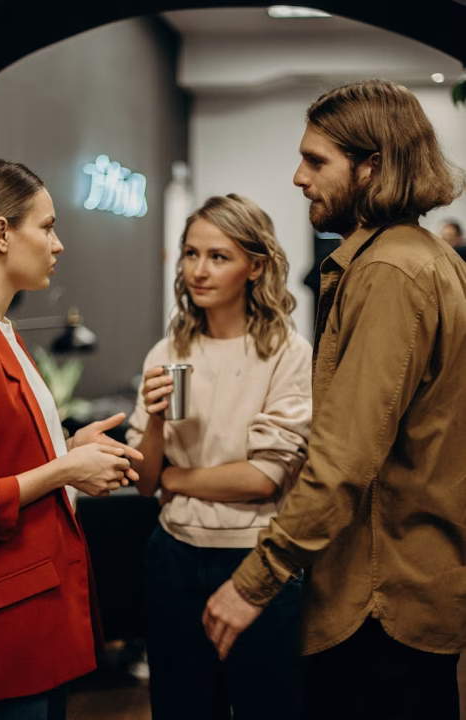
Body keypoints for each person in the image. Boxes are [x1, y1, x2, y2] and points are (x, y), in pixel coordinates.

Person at [203, 80, 466, 720]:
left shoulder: (389, 273)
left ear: (373, 166)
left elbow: (345, 457)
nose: (298, 177)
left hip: (378, 600)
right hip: (407, 590)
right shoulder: (428, 259)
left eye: (316, 161)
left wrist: (254, 582)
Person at [0, 159, 144, 720]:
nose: (58, 245)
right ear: (1, 233)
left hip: (33, 613)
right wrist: (64, 469)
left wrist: (68, 447)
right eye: (47, 226)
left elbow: (4, 459)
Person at [126, 193, 312, 720]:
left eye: (217, 256)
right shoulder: (167, 353)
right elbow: (144, 483)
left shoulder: (285, 352)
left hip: (256, 560)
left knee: (267, 705)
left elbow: (262, 479)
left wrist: (177, 478)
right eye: (190, 254)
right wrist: (156, 420)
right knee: (181, 707)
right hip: (173, 556)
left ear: (255, 266)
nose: (197, 272)